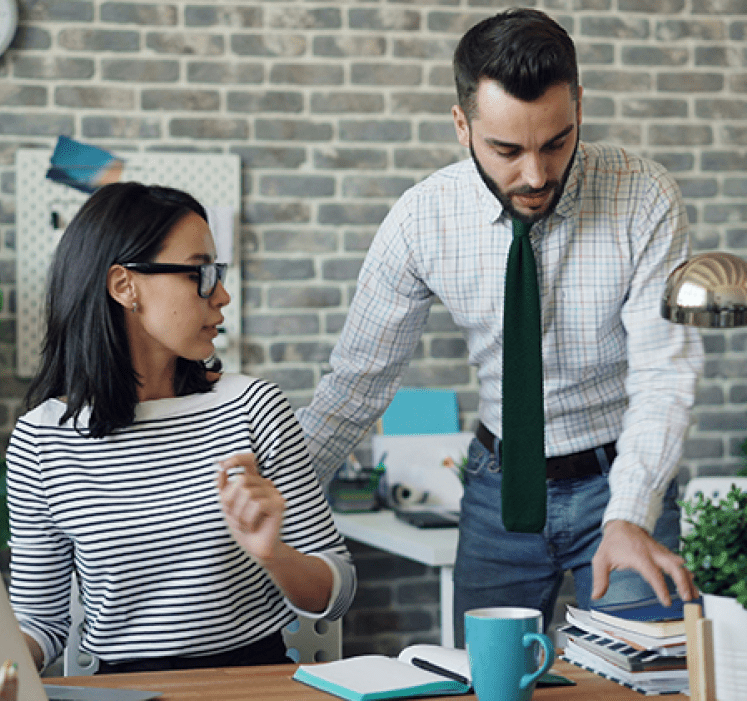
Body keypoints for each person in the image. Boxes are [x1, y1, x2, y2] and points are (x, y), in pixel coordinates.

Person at [298, 8, 704, 646]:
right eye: (507, 150)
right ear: (462, 125)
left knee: (647, 677)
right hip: (498, 490)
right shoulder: (422, 220)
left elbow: (663, 372)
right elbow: (356, 384)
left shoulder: (642, 196)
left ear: (579, 108)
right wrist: (285, 501)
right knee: (486, 686)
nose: (536, 175)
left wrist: (629, 515)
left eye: (556, 142)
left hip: (621, 483)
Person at [6, 182, 355, 673]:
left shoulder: (253, 407)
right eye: (202, 273)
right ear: (124, 285)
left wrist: (275, 554)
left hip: (251, 683)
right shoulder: (41, 439)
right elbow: (40, 623)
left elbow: (335, 593)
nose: (223, 294)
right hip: (123, 691)